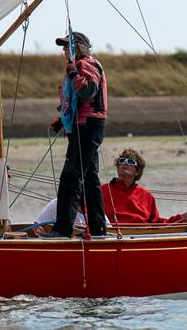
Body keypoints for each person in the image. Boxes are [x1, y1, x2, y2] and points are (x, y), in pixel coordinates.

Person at [42, 32, 107, 238]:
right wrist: (61, 120)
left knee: (71, 176)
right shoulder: (80, 64)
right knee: (89, 179)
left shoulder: (85, 64)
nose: (64, 50)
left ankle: (62, 229)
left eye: (67, 46)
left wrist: (72, 74)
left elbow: (88, 91)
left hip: (87, 126)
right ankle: (98, 228)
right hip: (85, 124)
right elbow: (78, 101)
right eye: (62, 47)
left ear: (78, 47)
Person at [103, 149, 187, 225]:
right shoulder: (102, 190)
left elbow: (157, 223)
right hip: (113, 236)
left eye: (131, 161)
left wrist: (180, 219)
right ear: (117, 168)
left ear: (137, 171)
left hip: (142, 237)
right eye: (121, 161)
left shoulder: (147, 196)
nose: (125, 164)